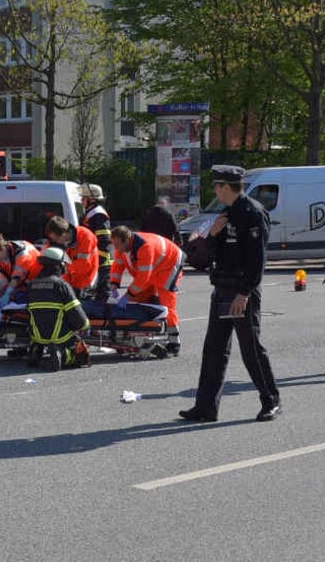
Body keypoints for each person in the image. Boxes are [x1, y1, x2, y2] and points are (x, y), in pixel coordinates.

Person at [180, 165, 281, 423]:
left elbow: (257, 260)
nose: (215, 189)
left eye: (217, 185)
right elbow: (204, 257)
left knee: (251, 349)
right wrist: (212, 236)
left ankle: (271, 400)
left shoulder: (253, 213)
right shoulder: (224, 215)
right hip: (222, 288)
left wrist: (244, 293)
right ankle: (205, 407)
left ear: (226, 187)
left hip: (241, 291)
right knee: (214, 349)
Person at [109, 226, 185, 354]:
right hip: (153, 267)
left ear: (126, 240)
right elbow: (118, 265)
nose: (116, 248)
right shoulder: (122, 246)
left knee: (167, 303)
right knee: (138, 300)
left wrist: (128, 295)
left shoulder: (145, 247)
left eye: (117, 245)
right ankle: (138, 334)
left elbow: (143, 279)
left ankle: (174, 341)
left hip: (170, 264)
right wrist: (114, 284)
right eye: (114, 245)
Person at [26, 247, 90, 370]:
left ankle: (36, 352)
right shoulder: (61, 285)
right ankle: (64, 354)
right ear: (59, 265)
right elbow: (76, 313)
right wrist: (85, 326)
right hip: (60, 336)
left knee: (40, 337)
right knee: (80, 356)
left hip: (37, 335)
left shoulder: (32, 284)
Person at [45, 215, 99, 295]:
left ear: (64, 234)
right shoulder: (57, 241)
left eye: (56, 239)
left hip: (86, 284)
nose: (54, 241)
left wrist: (63, 267)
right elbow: (46, 257)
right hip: (69, 283)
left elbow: (83, 266)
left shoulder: (85, 236)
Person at [0, 232, 42, 305]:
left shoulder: (22, 253)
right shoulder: (4, 256)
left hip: (38, 283)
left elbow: (17, 277)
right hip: (26, 284)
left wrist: (7, 294)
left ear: (3, 249)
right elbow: (5, 279)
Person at [80, 183, 113, 300]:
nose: (81, 200)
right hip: (97, 257)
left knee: (103, 292)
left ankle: (107, 315)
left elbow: (104, 239)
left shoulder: (98, 214)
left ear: (92, 200)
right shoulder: (91, 213)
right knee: (96, 291)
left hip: (102, 259)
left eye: (83, 198)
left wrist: (100, 258)